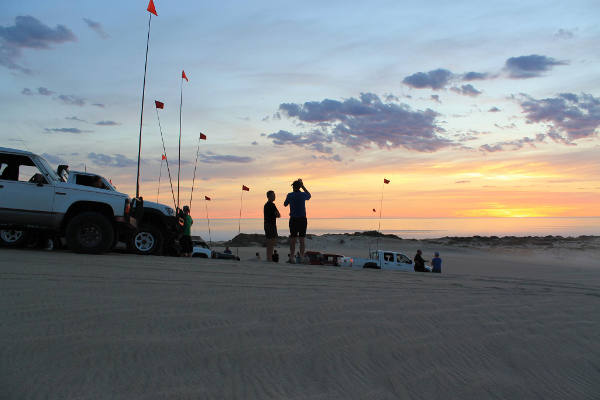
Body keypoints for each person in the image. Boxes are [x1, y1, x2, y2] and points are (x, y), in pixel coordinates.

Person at [284, 178, 311, 263]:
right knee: (302, 239)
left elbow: (285, 204)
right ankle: (302, 257)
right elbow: (309, 195)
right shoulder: (303, 195)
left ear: (293, 187)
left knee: (293, 239)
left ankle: (292, 257)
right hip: (302, 219)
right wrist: (303, 185)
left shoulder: (290, 195)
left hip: (294, 219)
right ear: (299, 187)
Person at [264, 190, 281, 261]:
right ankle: (269, 258)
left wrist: (277, 214)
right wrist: (277, 214)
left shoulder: (267, 205)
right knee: (271, 242)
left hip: (268, 224)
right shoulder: (271, 205)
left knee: (270, 242)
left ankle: (269, 257)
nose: (274, 196)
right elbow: (278, 214)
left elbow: (277, 214)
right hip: (270, 225)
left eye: (274, 195)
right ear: (269, 197)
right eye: (273, 195)